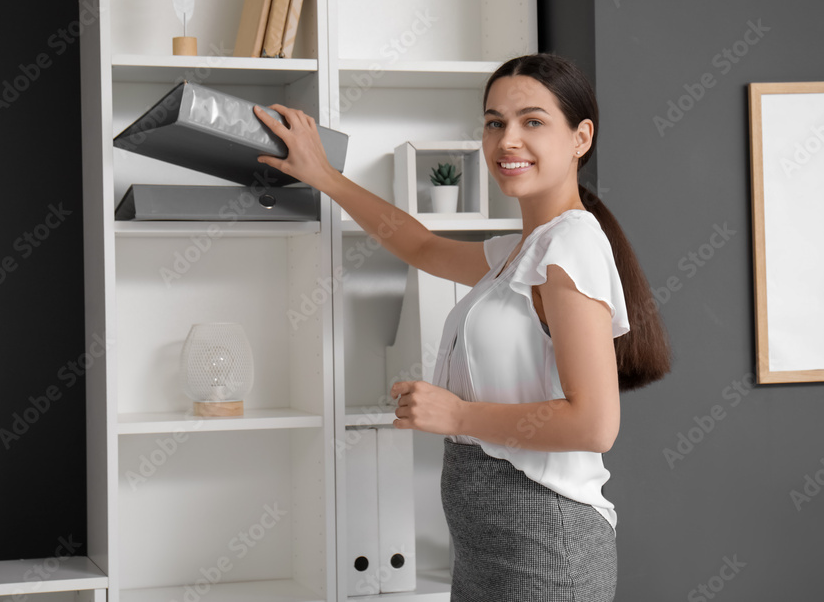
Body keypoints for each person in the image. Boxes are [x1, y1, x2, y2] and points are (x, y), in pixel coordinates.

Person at [254, 53, 671, 602]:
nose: (507, 141)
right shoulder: (523, 250)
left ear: (581, 137)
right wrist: (325, 176)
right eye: (495, 122)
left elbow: (595, 425)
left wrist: (457, 414)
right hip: (492, 551)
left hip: (543, 549)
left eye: (533, 121)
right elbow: (420, 244)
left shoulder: (569, 245)